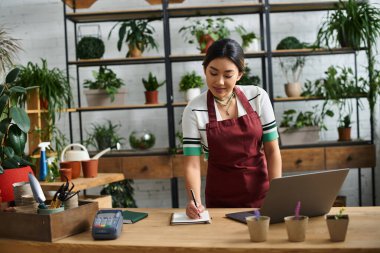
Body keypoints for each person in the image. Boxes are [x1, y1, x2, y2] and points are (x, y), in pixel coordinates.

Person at [182, 38, 282, 219]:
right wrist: (194, 201)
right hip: (220, 202)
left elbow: (272, 150)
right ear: (205, 70)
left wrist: (278, 196)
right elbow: (192, 164)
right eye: (213, 73)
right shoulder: (193, 109)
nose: (219, 82)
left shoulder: (258, 97)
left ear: (240, 74)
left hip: (262, 196)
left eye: (228, 75)